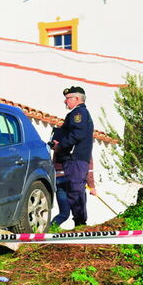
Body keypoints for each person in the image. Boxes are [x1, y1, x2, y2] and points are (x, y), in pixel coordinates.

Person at [49, 86, 95, 227]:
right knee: (75, 192)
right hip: (75, 160)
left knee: (75, 192)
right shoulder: (78, 113)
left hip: (75, 160)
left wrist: (60, 145)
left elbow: (77, 134)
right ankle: (80, 224)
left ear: (77, 99)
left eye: (68, 98)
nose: (65, 101)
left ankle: (80, 225)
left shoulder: (79, 113)